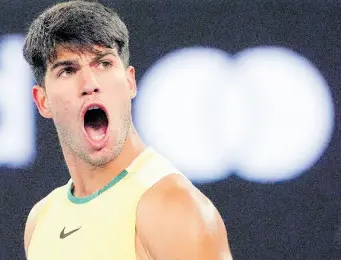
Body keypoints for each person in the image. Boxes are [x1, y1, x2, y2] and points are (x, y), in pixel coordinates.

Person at [22, 1, 233, 259]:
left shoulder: (174, 208)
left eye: (103, 64)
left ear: (130, 81)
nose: (90, 83)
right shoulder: (41, 220)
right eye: (68, 70)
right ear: (43, 101)